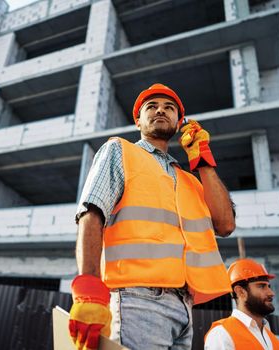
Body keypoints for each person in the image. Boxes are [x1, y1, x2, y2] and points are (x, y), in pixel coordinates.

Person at [68, 83, 235, 350]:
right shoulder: (120, 151)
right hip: (137, 299)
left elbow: (225, 224)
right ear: (138, 121)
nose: (160, 110)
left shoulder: (189, 181)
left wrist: (203, 160)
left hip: (184, 309)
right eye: (152, 106)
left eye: (169, 108)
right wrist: (88, 291)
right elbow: (91, 214)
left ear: (179, 122)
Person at [204, 258, 279, 349]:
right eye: (261, 286)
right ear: (240, 292)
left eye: (269, 286)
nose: (271, 293)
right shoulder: (221, 334)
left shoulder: (272, 339)